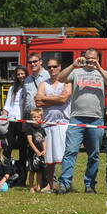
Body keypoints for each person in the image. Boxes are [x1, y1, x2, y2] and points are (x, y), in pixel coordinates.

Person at [56, 49, 107, 194]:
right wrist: (73, 65)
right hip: (76, 118)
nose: (90, 61)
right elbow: (60, 78)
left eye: (93, 58)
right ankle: (65, 184)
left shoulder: (101, 73)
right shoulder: (76, 72)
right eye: (88, 58)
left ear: (98, 59)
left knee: (94, 154)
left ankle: (90, 185)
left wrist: (99, 67)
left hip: (96, 119)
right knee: (70, 151)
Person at [37, 59, 71, 193]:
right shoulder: (43, 84)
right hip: (47, 124)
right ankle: (50, 184)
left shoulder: (66, 83)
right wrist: (57, 100)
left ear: (60, 67)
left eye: (54, 66)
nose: (52, 69)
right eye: (49, 67)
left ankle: (65, 184)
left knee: (63, 157)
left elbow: (64, 99)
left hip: (62, 124)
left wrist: (46, 99)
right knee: (49, 158)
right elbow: (37, 101)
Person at [26, 108, 46, 192]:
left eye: (38, 117)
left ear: (41, 118)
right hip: (32, 153)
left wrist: (44, 150)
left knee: (39, 171)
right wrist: (36, 151)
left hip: (40, 153)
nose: (36, 119)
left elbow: (44, 140)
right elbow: (30, 141)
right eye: (34, 117)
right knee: (32, 171)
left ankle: (38, 186)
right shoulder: (30, 128)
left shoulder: (42, 129)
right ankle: (31, 187)